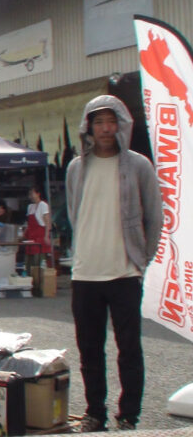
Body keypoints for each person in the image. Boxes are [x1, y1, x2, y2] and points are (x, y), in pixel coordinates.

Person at [66, 94, 162, 432]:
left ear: (122, 124)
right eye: (99, 122)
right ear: (88, 127)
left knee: (129, 349)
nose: (106, 128)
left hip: (124, 272)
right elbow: (74, 214)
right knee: (89, 350)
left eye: (111, 121)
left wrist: (142, 260)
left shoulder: (138, 165)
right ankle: (95, 412)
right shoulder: (76, 168)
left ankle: (129, 415)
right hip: (85, 274)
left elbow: (154, 216)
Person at [22, 185, 52, 283]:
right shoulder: (30, 207)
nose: (30, 196)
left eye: (32, 193)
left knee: (38, 260)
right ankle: (29, 281)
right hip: (31, 237)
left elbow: (47, 221)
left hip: (40, 236)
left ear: (38, 194)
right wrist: (24, 233)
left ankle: (39, 282)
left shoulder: (43, 205)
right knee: (28, 261)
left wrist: (46, 236)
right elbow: (28, 223)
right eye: (29, 194)